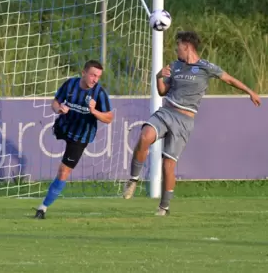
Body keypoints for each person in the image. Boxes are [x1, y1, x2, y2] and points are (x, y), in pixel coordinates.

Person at [123, 31, 262, 215]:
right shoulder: (175, 66)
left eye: (178, 45)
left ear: (187, 46)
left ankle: (164, 207)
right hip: (167, 111)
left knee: (168, 165)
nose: (176, 49)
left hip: (185, 121)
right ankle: (133, 179)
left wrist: (250, 91)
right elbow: (163, 91)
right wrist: (158, 76)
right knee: (144, 136)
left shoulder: (206, 67)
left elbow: (229, 79)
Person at [34, 60, 114, 219]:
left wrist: (94, 111)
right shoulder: (70, 84)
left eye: (98, 76)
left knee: (63, 171)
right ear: (83, 73)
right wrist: (59, 109)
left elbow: (109, 118)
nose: (95, 79)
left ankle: (43, 208)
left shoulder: (99, 93)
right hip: (64, 126)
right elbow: (55, 102)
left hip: (81, 136)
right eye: (92, 75)